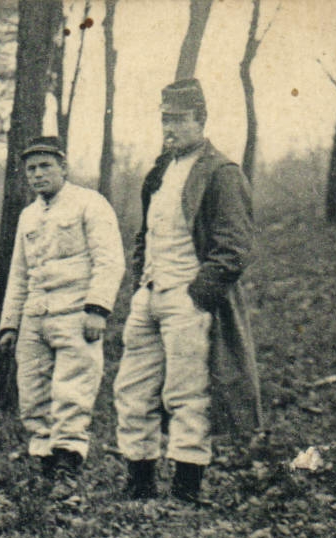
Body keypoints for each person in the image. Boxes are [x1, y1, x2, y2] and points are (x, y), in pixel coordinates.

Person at [114, 78, 261, 504]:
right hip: (150, 296)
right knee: (133, 388)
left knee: (187, 392)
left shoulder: (221, 172)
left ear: (201, 120)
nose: (170, 128)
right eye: (165, 119)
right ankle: (139, 482)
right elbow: (146, 233)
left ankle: (186, 487)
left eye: (179, 119)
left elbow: (235, 248)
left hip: (186, 298)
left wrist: (198, 295)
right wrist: (142, 281)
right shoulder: (160, 171)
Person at [0, 135, 125, 482]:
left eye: (45, 167)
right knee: (33, 392)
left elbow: (109, 260)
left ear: (63, 168)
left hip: (75, 313)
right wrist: (10, 324)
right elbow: (19, 273)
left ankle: (69, 456)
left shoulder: (89, 204)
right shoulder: (28, 216)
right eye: (31, 169)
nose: (38, 175)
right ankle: (45, 458)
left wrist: (97, 308)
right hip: (35, 316)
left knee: (72, 389)